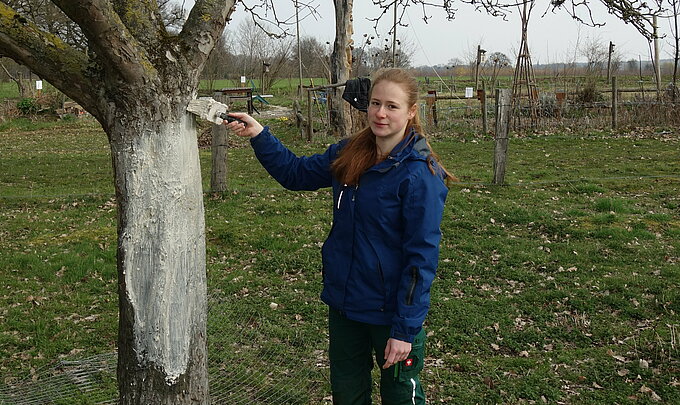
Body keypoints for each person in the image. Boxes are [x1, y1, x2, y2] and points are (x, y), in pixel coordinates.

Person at [225, 68, 454, 404]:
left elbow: (421, 259)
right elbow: (296, 173)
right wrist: (260, 134)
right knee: (347, 395)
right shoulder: (349, 153)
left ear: (411, 112)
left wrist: (404, 330)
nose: (380, 113)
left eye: (392, 106)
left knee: (400, 397)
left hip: (390, 314)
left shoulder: (420, 175)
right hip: (346, 305)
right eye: (376, 103)